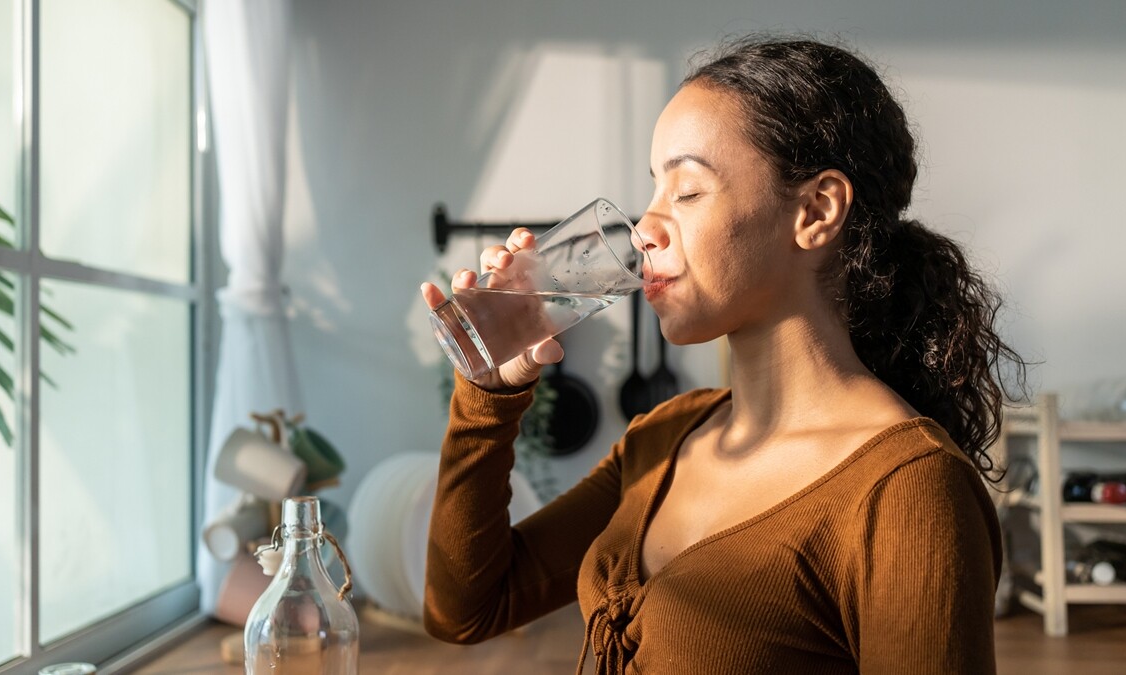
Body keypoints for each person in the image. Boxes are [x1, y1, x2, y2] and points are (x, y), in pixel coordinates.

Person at [418, 35, 1026, 675]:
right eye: (652, 188)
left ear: (815, 211)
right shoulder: (665, 436)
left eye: (686, 191)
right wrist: (488, 395)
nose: (644, 228)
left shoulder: (907, 490)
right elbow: (464, 609)